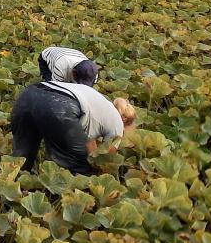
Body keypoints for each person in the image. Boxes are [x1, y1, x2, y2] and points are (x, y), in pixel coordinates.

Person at [12, 46, 136, 175]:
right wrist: (100, 172)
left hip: (29, 94)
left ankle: (16, 181)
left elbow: (88, 141)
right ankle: (77, 191)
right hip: (62, 105)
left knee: (22, 156)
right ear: (124, 119)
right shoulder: (117, 124)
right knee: (77, 164)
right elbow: (107, 157)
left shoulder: (99, 104)